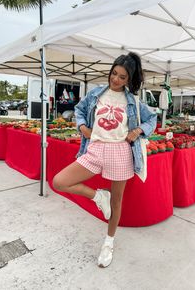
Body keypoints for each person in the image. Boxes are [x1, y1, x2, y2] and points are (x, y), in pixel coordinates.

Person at [53, 52, 157, 268]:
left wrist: (138, 130)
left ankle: (109, 242)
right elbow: (79, 110)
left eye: (122, 77)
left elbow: (152, 119)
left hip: (120, 153)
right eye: (114, 73)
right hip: (95, 149)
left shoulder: (133, 101)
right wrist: (82, 127)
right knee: (59, 181)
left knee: (117, 201)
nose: (116, 79)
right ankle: (98, 197)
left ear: (130, 80)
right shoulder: (95, 95)